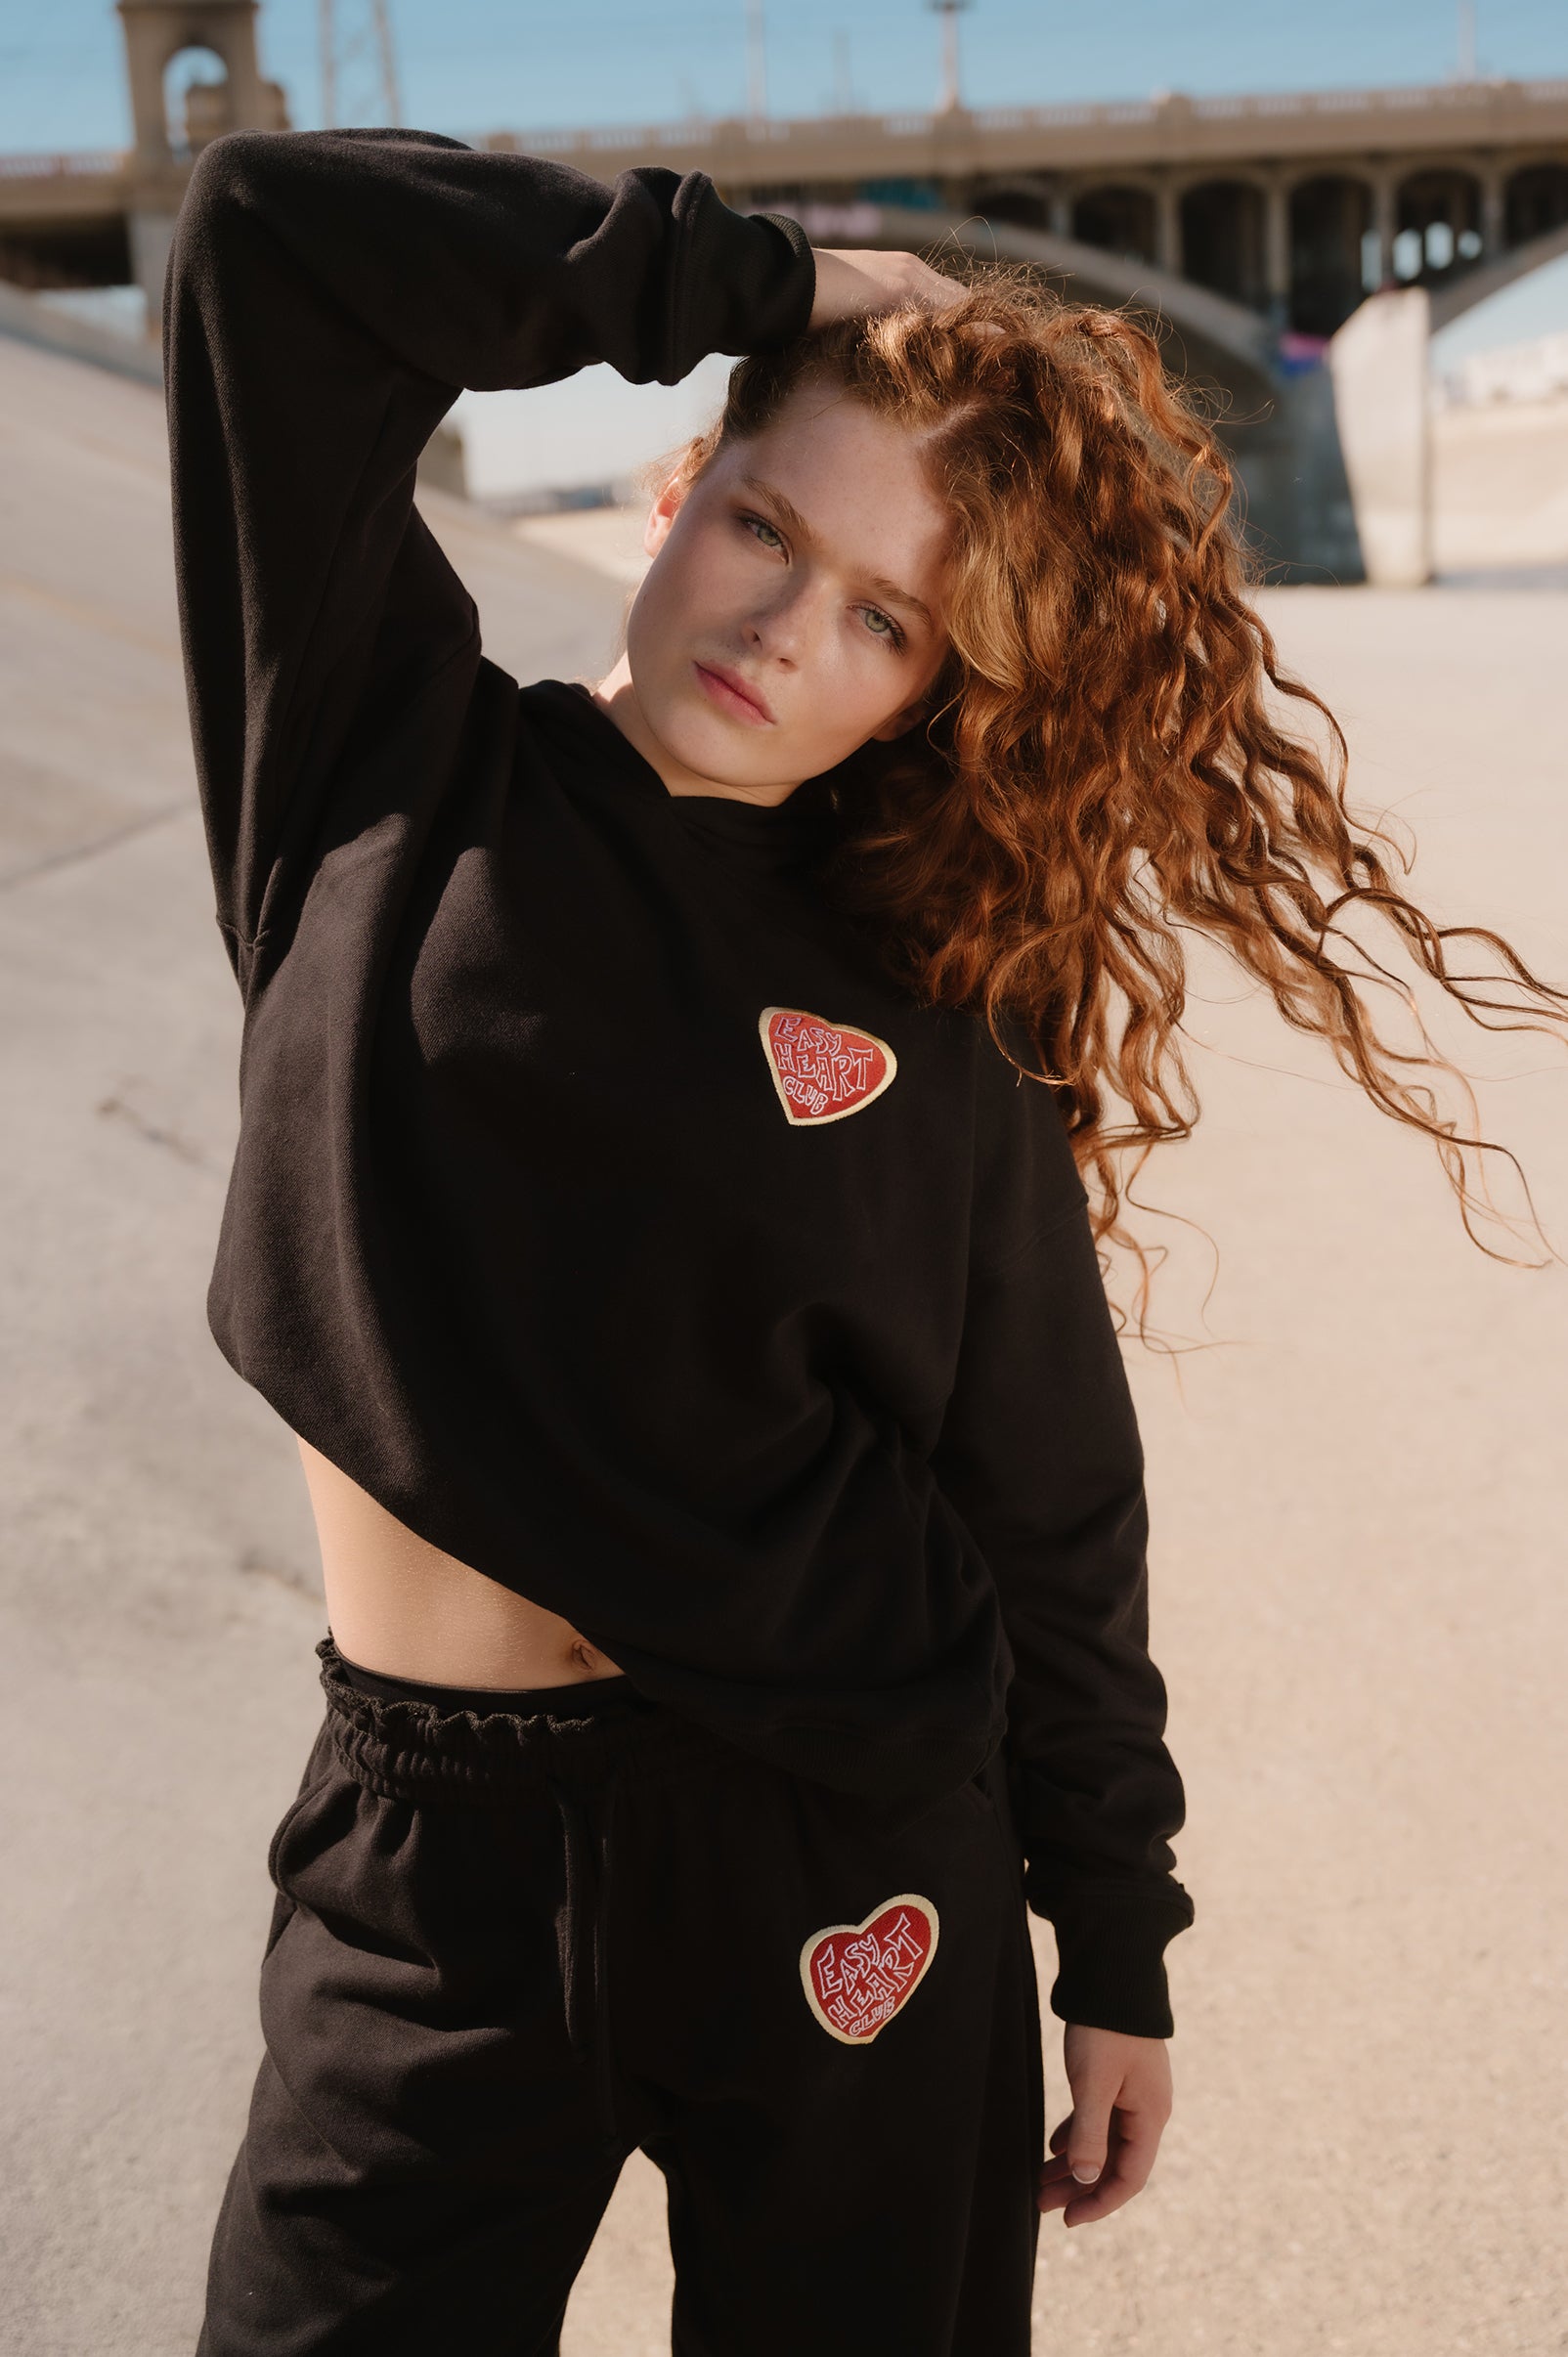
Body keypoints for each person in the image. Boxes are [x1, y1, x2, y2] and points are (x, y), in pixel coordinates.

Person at [163, 127, 1565, 2357]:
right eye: (767, 527)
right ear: (675, 490)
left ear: (929, 688)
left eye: (886, 619)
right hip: (427, 1876)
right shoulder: (376, 763)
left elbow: (1045, 1481)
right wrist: (777, 285)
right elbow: (271, 241)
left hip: (846, 1860)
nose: (787, 628)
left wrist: (1116, 1933)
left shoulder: (928, 995)